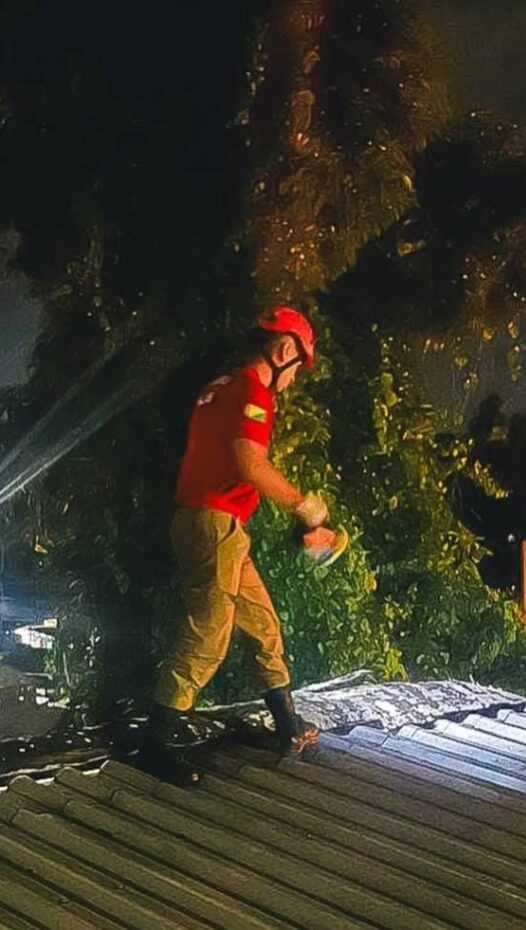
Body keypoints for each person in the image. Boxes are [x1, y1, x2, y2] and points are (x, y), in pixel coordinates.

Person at [148, 306, 328, 778]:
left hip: (215, 525)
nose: (292, 380)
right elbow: (250, 463)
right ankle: (158, 739)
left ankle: (289, 725)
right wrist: (304, 506)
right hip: (215, 524)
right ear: (285, 350)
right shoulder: (252, 392)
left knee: (263, 623)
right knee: (209, 632)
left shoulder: (217, 388)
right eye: (297, 368)